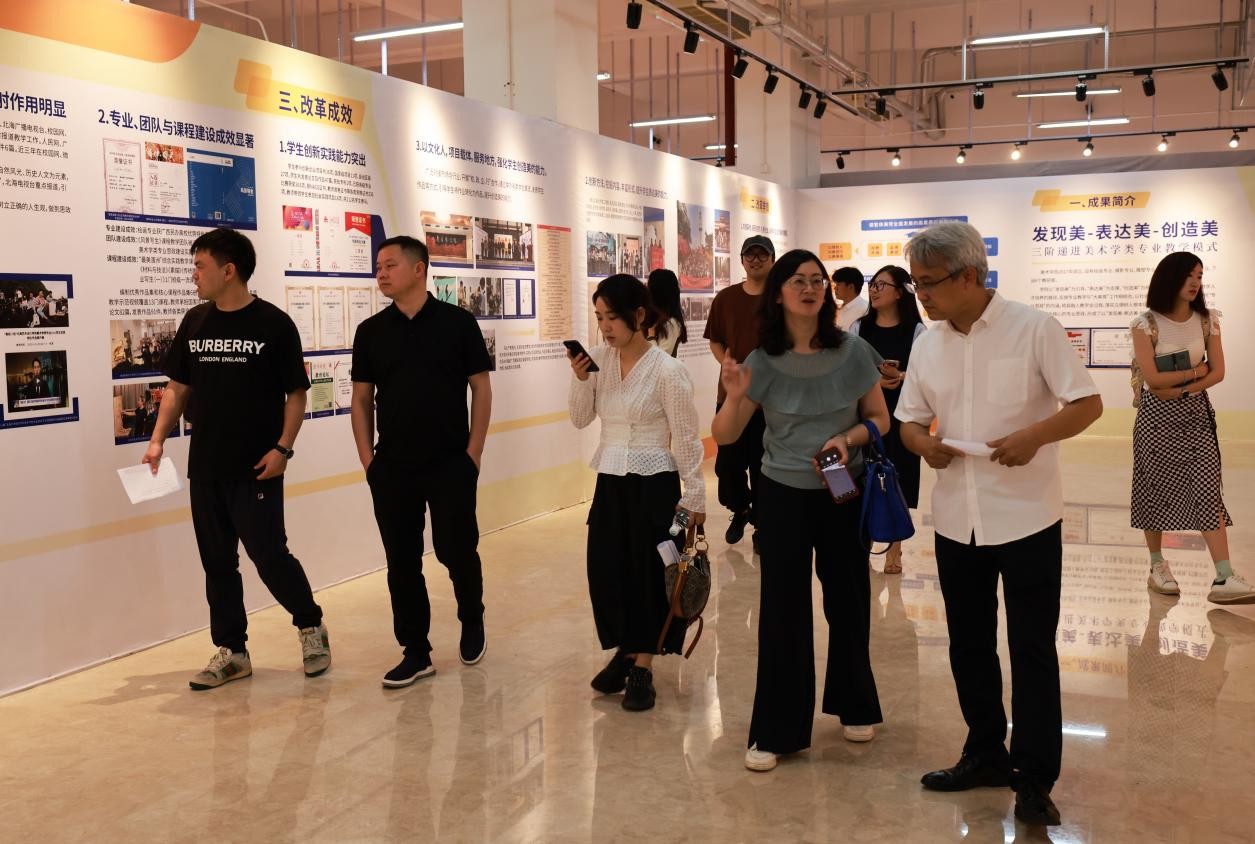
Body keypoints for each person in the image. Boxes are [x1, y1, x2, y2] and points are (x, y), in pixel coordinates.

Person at [895, 222, 1102, 827]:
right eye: (915, 284)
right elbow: (910, 420)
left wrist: (1034, 436)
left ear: (968, 276)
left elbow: (1087, 403)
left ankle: (1034, 778)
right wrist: (921, 445)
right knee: (968, 644)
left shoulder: (1034, 328)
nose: (920, 295)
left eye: (928, 283)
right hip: (956, 518)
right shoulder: (928, 343)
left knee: (1031, 648)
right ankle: (985, 751)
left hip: (1027, 516)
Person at [712, 249, 890, 773]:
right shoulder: (761, 360)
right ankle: (776, 729)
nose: (810, 289)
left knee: (849, 599)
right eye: (798, 281)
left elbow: (879, 418)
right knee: (783, 609)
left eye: (817, 280)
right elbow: (726, 435)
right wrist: (733, 398)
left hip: (842, 488)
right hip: (781, 493)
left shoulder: (853, 352)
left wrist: (847, 439)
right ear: (779, 294)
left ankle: (856, 704)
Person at [143, 226, 330, 690]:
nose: (194, 275)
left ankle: (310, 625)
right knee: (217, 562)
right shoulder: (195, 321)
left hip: (257, 466)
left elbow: (296, 394)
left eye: (200, 266)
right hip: (207, 466)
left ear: (229, 271)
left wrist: (283, 449)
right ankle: (233, 651)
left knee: (270, 556)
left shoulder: (273, 324)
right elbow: (177, 388)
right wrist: (157, 439)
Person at [352, 235, 493, 688]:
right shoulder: (371, 331)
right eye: (378, 266)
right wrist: (368, 462)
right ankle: (416, 651)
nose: (381, 273)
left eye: (390, 265)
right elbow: (361, 399)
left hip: (451, 462)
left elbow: (481, 388)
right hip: (392, 467)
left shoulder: (458, 323)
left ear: (419, 269)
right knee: (401, 561)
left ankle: (472, 617)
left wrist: (473, 454)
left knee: (456, 550)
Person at [567, 274, 706, 712]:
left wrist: (694, 497)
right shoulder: (600, 362)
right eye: (599, 317)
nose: (604, 327)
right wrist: (580, 379)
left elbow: (687, 438)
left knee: (650, 574)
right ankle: (625, 651)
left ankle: (643, 663)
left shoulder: (668, 371)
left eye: (612, 317)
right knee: (607, 570)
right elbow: (580, 418)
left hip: (655, 484)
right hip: (610, 480)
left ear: (639, 315)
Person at [1130, 252, 1253, 603]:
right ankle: (1157, 566)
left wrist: (1184, 386)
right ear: (1169, 278)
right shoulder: (1145, 324)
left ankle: (1224, 576)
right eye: (1188, 275)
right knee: (1153, 488)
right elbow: (1153, 380)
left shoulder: (1207, 320)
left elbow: (1218, 371)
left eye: (1199, 275)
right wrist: (1197, 372)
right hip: (1155, 419)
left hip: (1196, 415)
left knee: (1207, 488)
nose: (1195, 282)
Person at [849, 265, 927, 574]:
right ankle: (864, 542)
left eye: (882, 285)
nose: (874, 290)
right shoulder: (859, 327)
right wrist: (875, 381)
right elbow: (848, 369)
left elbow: (925, 373)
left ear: (899, 292)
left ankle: (895, 547)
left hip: (903, 416)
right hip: (866, 415)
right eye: (873, 284)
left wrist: (901, 376)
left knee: (899, 479)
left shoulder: (917, 331)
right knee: (863, 477)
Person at [704, 235, 773, 549]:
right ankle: (741, 507)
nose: (755, 260)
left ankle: (762, 525)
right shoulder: (726, 298)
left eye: (762, 254)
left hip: (768, 400)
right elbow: (715, 340)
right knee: (727, 465)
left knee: (762, 465)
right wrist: (728, 364)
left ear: (772, 260)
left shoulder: (779, 299)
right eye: (750, 255)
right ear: (742, 260)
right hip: (731, 396)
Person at [646, 268, 688, 357]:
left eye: (648, 286)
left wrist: (651, 336)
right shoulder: (653, 317)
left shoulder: (671, 323)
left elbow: (659, 359)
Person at [832, 265, 868, 330]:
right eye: (835, 284)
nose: (835, 288)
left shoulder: (865, 310)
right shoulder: (840, 309)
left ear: (850, 287)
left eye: (838, 284)